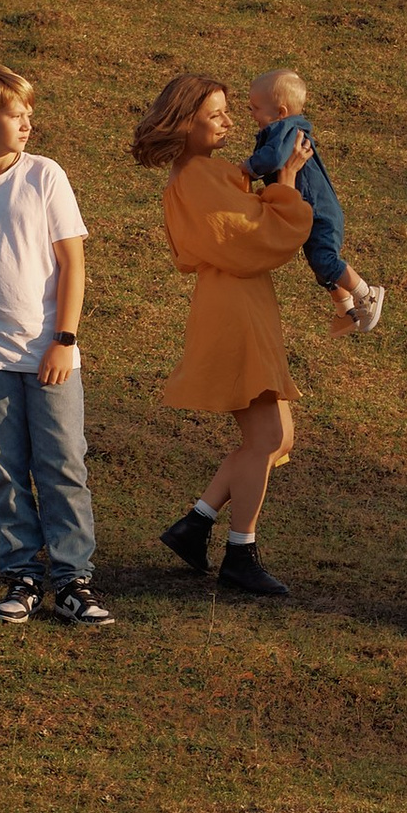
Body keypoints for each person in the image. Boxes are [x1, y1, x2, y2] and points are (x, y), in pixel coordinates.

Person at [0, 65, 112, 630]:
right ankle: (21, 576)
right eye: (15, 112)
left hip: (51, 353)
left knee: (63, 463)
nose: (28, 121)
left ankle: (73, 581)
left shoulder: (46, 177)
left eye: (30, 111)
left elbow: (73, 263)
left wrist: (64, 340)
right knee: (3, 467)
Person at [133, 70, 315, 601]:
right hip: (232, 310)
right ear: (185, 122)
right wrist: (285, 181)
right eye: (215, 114)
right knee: (264, 439)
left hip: (242, 306)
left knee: (276, 437)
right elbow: (255, 234)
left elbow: (246, 223)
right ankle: (240, 552)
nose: (229, 122)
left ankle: (196, 524)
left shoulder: (204, 174)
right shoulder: (197, 176)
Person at [244, 66, 387, 334]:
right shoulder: (284, 129)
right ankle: (346, 310)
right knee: (317, 260)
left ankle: (366, 294)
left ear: (280, 112)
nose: (251, 114)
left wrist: (247, 168)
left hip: (318, 210)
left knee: (324, 259)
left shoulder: (285, 131)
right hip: (313, 208)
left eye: (255, 108)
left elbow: (273, 159)